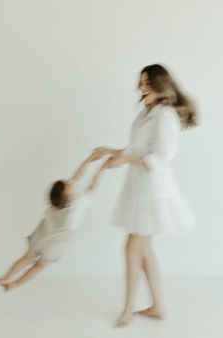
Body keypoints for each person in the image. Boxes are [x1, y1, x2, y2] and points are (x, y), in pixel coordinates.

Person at [92, 64, 198, 326]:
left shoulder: (165, 116)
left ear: (160, 86)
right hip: (139, 187)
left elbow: (162, 156)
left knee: (132, 246)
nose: (141, 88)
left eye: (146, 83)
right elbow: (139, 147)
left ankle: (128, 307)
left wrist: (125, 158)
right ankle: (158, 306)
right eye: (140, 83)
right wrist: (112, 151)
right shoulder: (147, 112)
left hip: (154, 190)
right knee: (145, 249)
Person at [0, 149, 110, 291]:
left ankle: (6, 278)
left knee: (27, 257)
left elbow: (77, 176)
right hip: (56, 242)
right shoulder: (79, 205)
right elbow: (93, 185)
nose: (70, 182)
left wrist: (89, 159)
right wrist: (103, 168)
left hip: (43, 234)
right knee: (39, 266)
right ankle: (14, 283)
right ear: (68, 195)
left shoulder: (57, 202)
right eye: (68, 185)